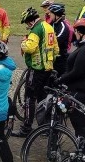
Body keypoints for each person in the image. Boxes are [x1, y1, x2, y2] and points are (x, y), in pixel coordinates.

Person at [12, 7, 59, 137]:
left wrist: (23, 43)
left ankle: (26, 128)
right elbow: (56, 48)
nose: (27, 26)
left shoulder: (36, 29)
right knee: (42, 98)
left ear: (30, 21)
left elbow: (30, 47)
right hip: (47, 68)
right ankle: (44, 126)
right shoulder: (48, 26)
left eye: (27, 23)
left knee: (29, 98)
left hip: (36, 69)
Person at [56, 18, 85, 139]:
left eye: (76, 32)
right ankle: (84, 145)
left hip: (82, 90)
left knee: (80, 121)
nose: (75, 34)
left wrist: (60, 79)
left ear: (80, 33)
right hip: (82, 88)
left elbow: (77, 72)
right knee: (80, 121)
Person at [48, 3, 73, 73]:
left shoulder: (63, 27)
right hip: (51, 56)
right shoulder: (52, 23)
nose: (49, 14)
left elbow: (57, 41)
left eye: (51, 13)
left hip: (60, 58)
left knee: (58, 79)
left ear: (56, 14)